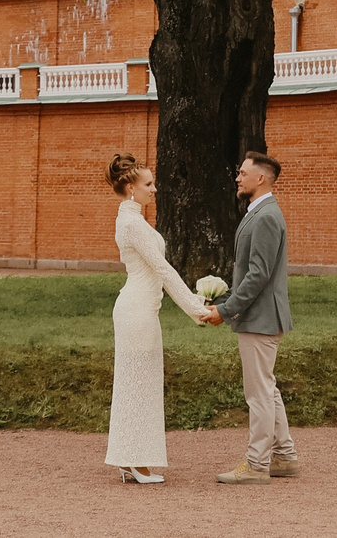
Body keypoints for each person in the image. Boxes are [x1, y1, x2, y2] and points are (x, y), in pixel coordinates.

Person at [104, 152, 212, 485]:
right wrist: (196, 309)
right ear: (131, 188)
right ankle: (135, 462)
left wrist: (196, 299)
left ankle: (130, 460)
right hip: (136, 311)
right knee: (137, 385)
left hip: (141, 308)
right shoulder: (132, 223)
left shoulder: (133, 220)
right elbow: (162, 270)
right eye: (149, 184)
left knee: (138, 384)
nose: (154, 189)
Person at [203, 151, 296, 484]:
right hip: (260, 317)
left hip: (261, 319)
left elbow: (258, 276)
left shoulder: (267, 216)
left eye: (243, 173)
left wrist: (225, 311)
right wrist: (223, 301)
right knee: (267, 391)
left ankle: (257, 465)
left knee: (258, 394)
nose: (237, 178)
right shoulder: (258, 212)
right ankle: (284, 457)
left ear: (261, 179)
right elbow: (251, 275)